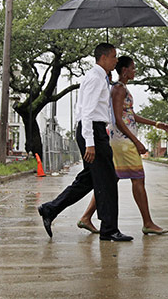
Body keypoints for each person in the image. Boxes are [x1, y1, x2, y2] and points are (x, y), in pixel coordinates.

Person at [37, 43, 133, 242]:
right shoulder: (95, 78)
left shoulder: (101, 78)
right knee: (107, 180)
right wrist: (90, 142)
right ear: (104, 57)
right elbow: (87, 112)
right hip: (93, 132)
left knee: (89, 179)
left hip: (95, 131)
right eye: (114, 56)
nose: (116, 60)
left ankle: (50, 209)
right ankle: (109, 230)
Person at [77, 56, 168, 236]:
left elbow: (131, 115)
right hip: (122, 141)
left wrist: (156, 124)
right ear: (125, 70)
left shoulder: (121, 88)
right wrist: (137, 141)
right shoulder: (118, 89)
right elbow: (119, 120)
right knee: (138, 178)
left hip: (120, 140)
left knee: (112, 179)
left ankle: (86, 217)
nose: (135, 71)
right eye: (133, 68)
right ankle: (148, 223)